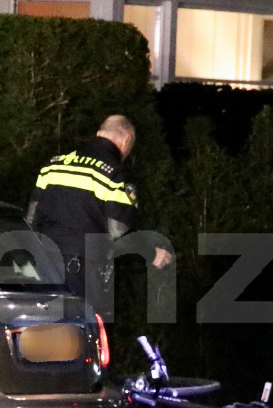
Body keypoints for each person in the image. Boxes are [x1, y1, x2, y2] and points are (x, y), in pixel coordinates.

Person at [24, 114, 173, 289]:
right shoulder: (115, 175)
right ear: (127, 141)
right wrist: (152, 253)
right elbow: (119, 233)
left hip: (42, 267)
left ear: (99, 133)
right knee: (83, 317)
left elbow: (31, 220)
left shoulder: (53, 166)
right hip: (81, 273)